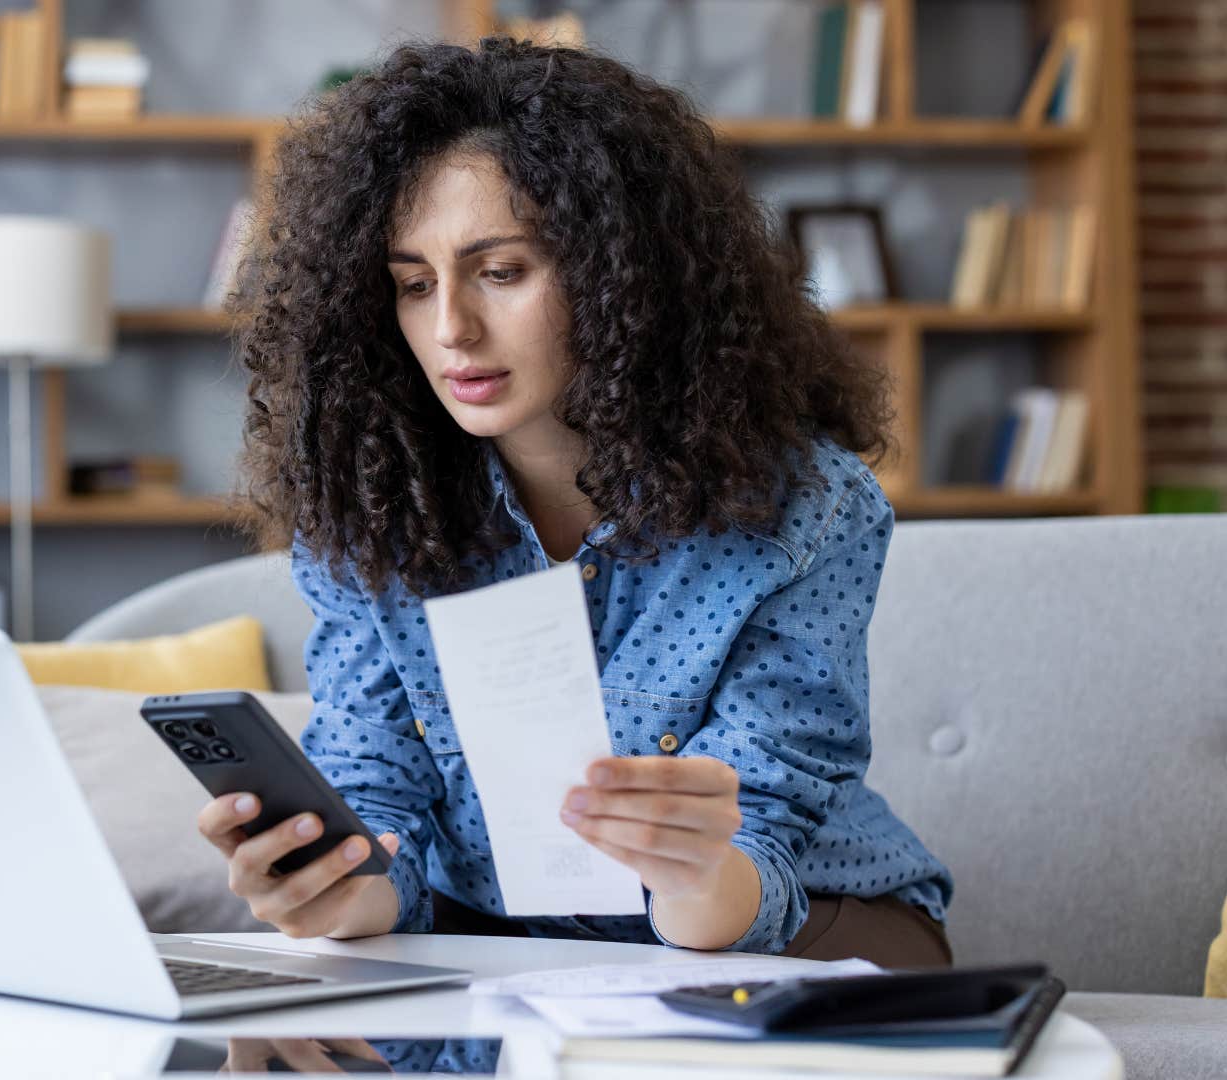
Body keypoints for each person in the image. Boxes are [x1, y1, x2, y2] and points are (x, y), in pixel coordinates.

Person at [195, 35, 954, 967]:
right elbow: (378, 804)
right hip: (503, 953)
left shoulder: (806, 507)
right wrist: (322, 890)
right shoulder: (371, 509)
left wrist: (690, 871)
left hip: (793, 929)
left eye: (502, 271)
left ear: (623, 273)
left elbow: (765, 821)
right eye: (412, 285)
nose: (451, 330)